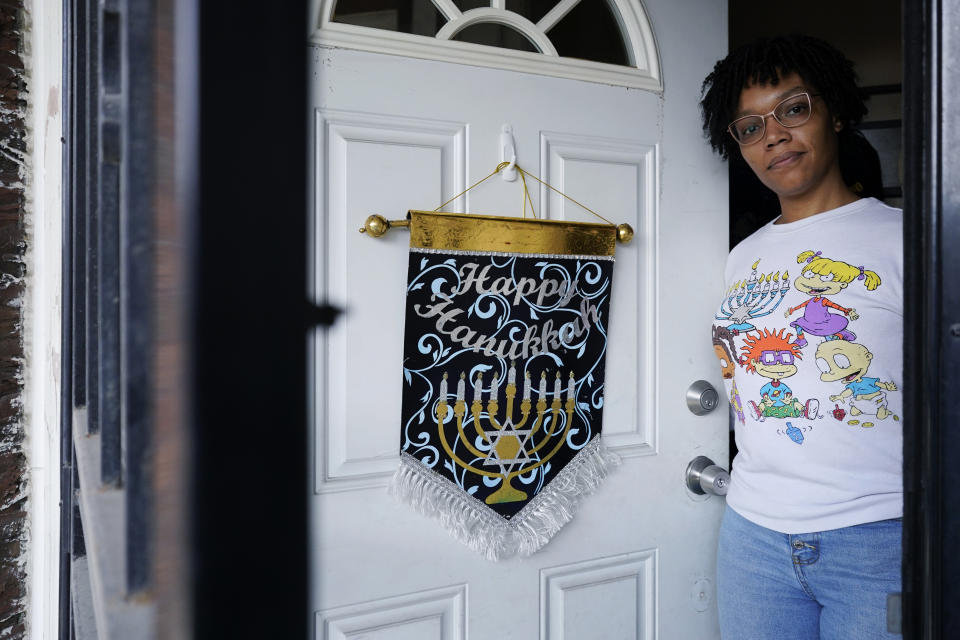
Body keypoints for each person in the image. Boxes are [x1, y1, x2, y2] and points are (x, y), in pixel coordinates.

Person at [700, 35, 902, 639]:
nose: (774, 136)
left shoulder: (909, 240)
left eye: (793, 109)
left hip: (879, 536)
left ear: (835, 111)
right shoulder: (742, 256)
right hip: (752, 536)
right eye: (749, 126)